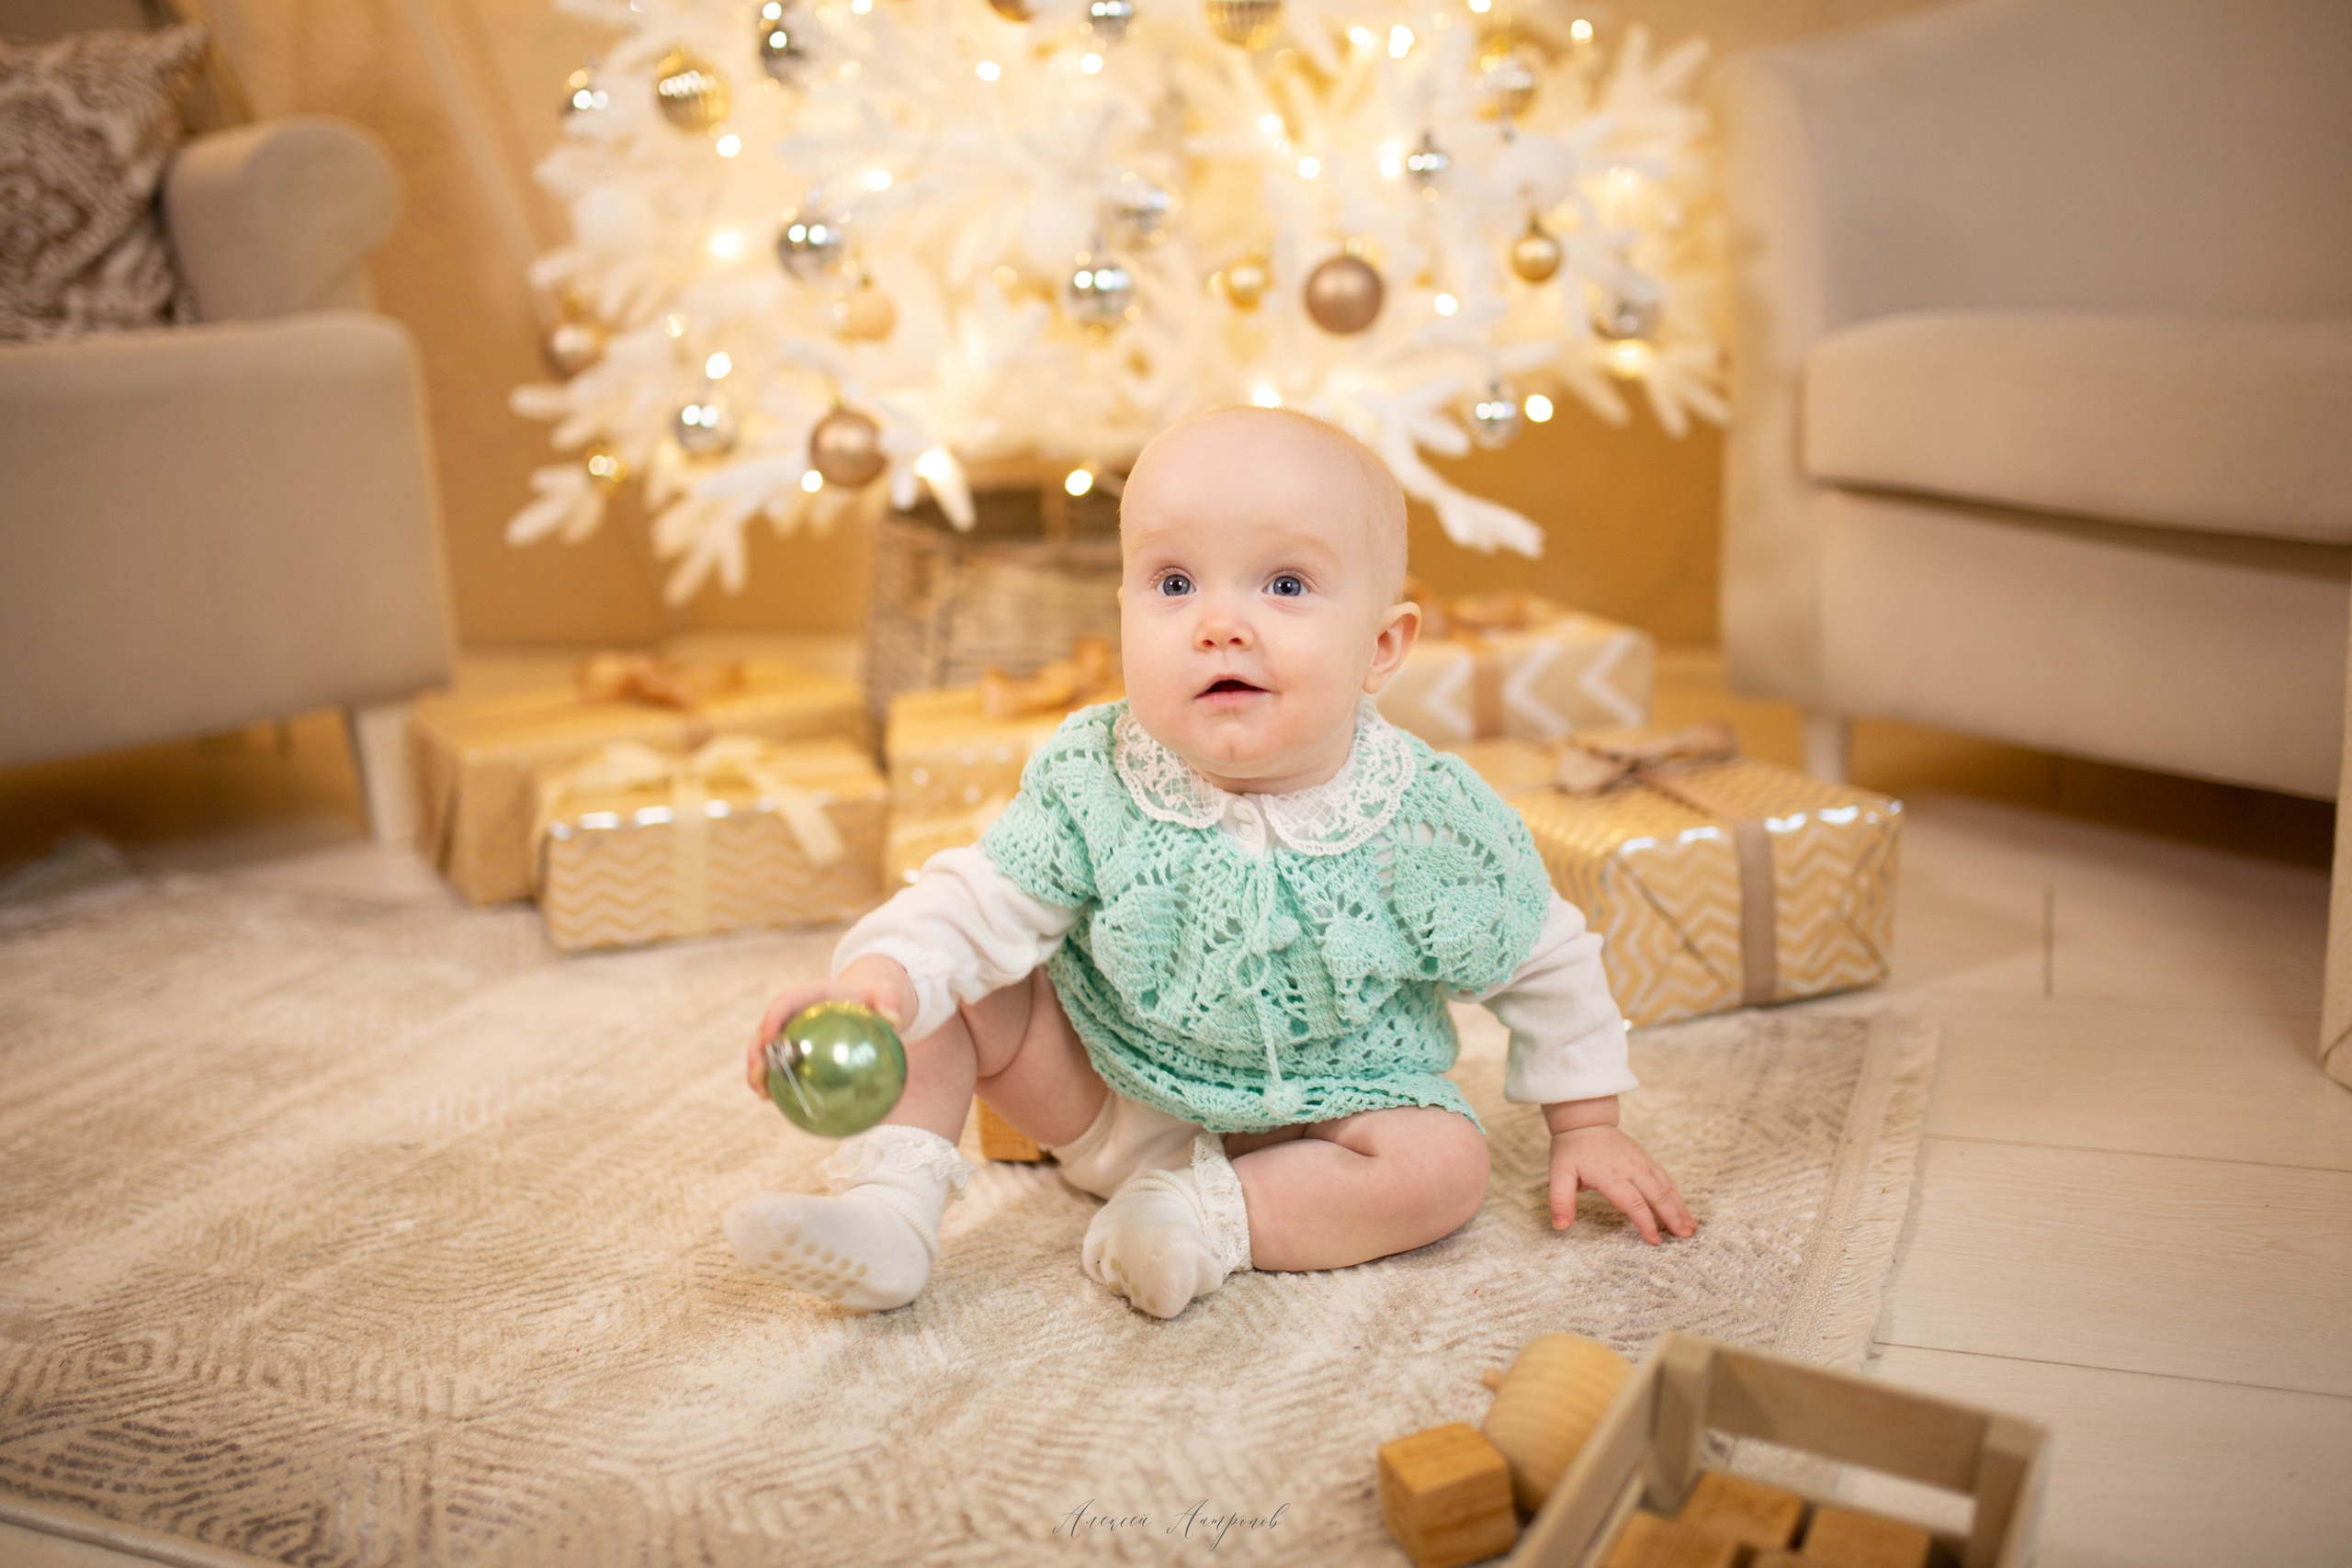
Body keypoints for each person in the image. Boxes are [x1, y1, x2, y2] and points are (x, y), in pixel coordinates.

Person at [728, 406, 1694, 1318]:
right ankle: (889, 1214)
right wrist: (878, 982)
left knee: (1444, 1164)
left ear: (1383, 645)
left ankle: (1204, 1219)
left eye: (1283, 586)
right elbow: (981, 899)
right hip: (1109, 1092)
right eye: (1174, 584)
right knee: (960, 988)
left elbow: (1546, 958)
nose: (1217, 625)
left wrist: (1586, 1123)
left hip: (1328, 1123)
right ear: (1122, 617)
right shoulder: (1095, 773)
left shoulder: (1424, 819)